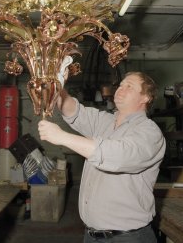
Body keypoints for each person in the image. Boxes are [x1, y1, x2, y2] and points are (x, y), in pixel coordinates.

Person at [38, 71, 166, 243]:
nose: (121, 88)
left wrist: (63, 137)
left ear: (146, 98)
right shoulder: (105, 122)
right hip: (91, 235)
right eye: (121, 85)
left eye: (129, 86)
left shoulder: (149, 132)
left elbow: (119, 156)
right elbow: (72, 110)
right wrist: (57, 84)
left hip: (128, 238)